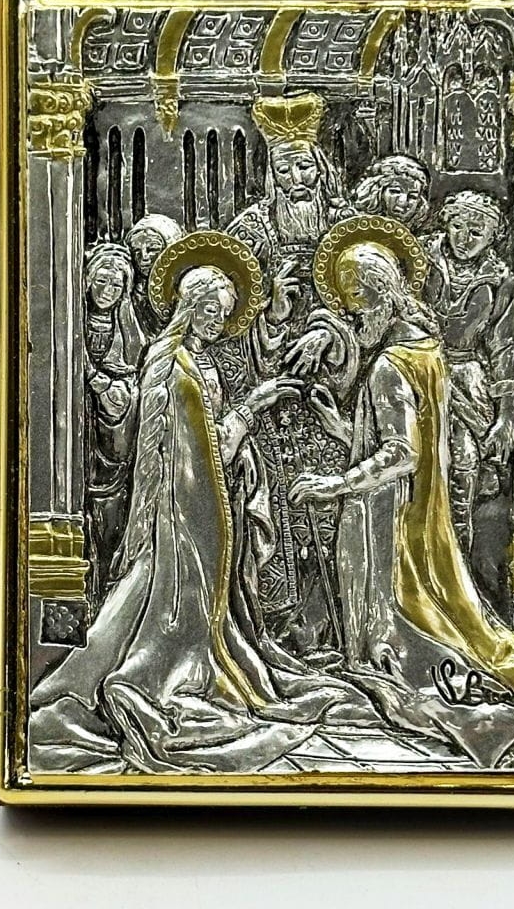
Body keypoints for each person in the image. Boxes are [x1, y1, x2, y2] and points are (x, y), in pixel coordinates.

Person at [30, 232, 381, 774]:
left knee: (207, 600)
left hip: (209, 500)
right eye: (210, 310)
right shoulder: (170, 362)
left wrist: (242, 438)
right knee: (176, 597)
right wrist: (254, 406)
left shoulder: (196, 358)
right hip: (184, 507)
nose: (218, 321)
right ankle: (159, 677)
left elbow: (209, 441)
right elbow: (189, 447)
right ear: (188, 307)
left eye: (224, 313)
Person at [288, 219, 514, 765]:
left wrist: (332, 485)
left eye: (355, 298)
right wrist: (342, 429)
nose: (350, 312)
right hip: (421, 512)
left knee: (407, 640)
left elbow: (400, 454)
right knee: (457, 618)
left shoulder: (389, 366)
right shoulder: (428, 351)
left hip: (387, 520)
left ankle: (489, 714)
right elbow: (412, 437)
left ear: (378, 294)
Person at [216, 93, 359, 657]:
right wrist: (272, 317)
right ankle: (282, 632)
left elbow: (370, 311)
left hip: (332, 397)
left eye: (304, 167)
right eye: (284, 169)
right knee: (277, 509)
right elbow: (226, 322)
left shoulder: (345, 226)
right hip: (271, 398)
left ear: (320, 166)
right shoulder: (251, 231)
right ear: (270, 174)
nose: (296, 179)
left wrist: (328, 333)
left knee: (333, 507)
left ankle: (340, 627)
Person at [422, 190, 514, 557]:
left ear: (493, 236)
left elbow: (502, 346)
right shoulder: (423, 255)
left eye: (476, 232)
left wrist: (506, 416)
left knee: (463, 464)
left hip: (466, 379)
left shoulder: (500, 278)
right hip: (418, 366)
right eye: (458, 227)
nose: (464, 238)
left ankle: (456, 563)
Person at [83, 243, 144, 602]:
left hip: (118, 428)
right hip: (87, 427)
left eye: (116, 285)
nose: (107, 290)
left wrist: (117, 389)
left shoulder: (126, 327)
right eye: (101, 281)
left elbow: (132, 365)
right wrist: (96, 381)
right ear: (88, 280)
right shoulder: (77, 323)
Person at [124, 214, 184, 339]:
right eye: (136, 251)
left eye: (152, 249)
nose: (144, 257)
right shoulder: (130, 292)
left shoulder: (183, 290)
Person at [352, 154, 431, 233]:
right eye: (395, 191)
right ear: (377, 191)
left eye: (412, 197)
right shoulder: (354, 228)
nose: (402, 202)